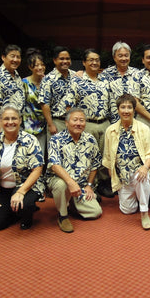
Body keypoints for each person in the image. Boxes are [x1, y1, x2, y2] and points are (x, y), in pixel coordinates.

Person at [0, 104, 44, 231]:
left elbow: (37, 169)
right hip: (3, 189)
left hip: (26, 186)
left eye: (14, 118)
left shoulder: (30, 140)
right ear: (1, 121)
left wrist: (21, 191)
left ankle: (26, 213)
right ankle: (13, 211)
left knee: (25, 204)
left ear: (20, 120)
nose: (10, 122)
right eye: (6, 119)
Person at [103, 94, 150, 230]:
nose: (126, 111)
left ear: (134, 110)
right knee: (127, 210)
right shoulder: (110, 130)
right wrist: (112, 174)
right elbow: (108, 156)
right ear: (118, 110)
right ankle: (138, 194)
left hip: (139, 172)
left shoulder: (144, 128)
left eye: (129, 107)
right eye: (123, 107)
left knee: (141, 177)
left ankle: (144, 213)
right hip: (123, 178)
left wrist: (145, 167)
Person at [47, 108, 103, 233]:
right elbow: (55, 165)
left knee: (96, 212)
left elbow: (95, 164)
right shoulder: (56, 140)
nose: (78, 123)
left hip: (81, 186)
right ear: (66, 123)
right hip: (61, 181)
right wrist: (70, 182)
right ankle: (63, 216)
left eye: (82, 120)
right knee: (61, 185)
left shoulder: (90, 139)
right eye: (75, 120)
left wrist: (89, 185)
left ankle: (71, 204)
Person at [65, 48, 112, 197]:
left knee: (105, 154)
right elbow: (69, 105)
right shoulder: (77, 80)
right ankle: (91, 185)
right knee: (88, 155)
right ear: (84, 63)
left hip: (104, 122)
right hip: (86, 124)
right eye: (90, 60)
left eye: (97, 60)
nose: (94, 62)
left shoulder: (105, 80)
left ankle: (103, 183)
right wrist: (73, 125)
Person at [38, 46, 75, 136]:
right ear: (55, 60)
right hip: (57, 122)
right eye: (61, 59)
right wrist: (51, 125)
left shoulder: (76, 76)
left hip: (74, 123)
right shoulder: (48, 79)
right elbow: (44, 103)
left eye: (67, 59)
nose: (65, 61)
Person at [0, 44, 25, 131]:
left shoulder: (17, 76)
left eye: (18, 57)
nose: (15, 60)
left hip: (18, 124)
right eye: (12, 56)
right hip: (5, 124)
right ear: (3, 57)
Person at [100, 41, 139, 124]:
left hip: (133, 121)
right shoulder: (106, 74)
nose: (124, 59)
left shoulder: (137, 74)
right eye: (120, 56)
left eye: (126, 55)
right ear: (114, 57)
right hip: (112, 122)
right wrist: (81, 72)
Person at [22, 48, 47, 157]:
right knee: (28, 154)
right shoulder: (24, 83)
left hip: (44, 125)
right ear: (30, 67)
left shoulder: (47, 82)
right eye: (36, 65)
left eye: (42, 64)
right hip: (28, 125)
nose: (40, 67)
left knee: (41, 155)